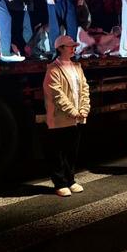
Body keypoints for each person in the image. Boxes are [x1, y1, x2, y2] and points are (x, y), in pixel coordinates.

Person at [43, 35, 91, 197]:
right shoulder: (53, 69)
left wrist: (84, 108)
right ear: (60, 48)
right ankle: (60, 183)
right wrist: (73, 111)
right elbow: (57, 95)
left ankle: (70, 180)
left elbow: (84, 89)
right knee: (58, 152)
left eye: (73, 46)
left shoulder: (77, 67)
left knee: (71, 151)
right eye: (70, 46)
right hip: (60, 119)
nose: (73, 48)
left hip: (76, 118)